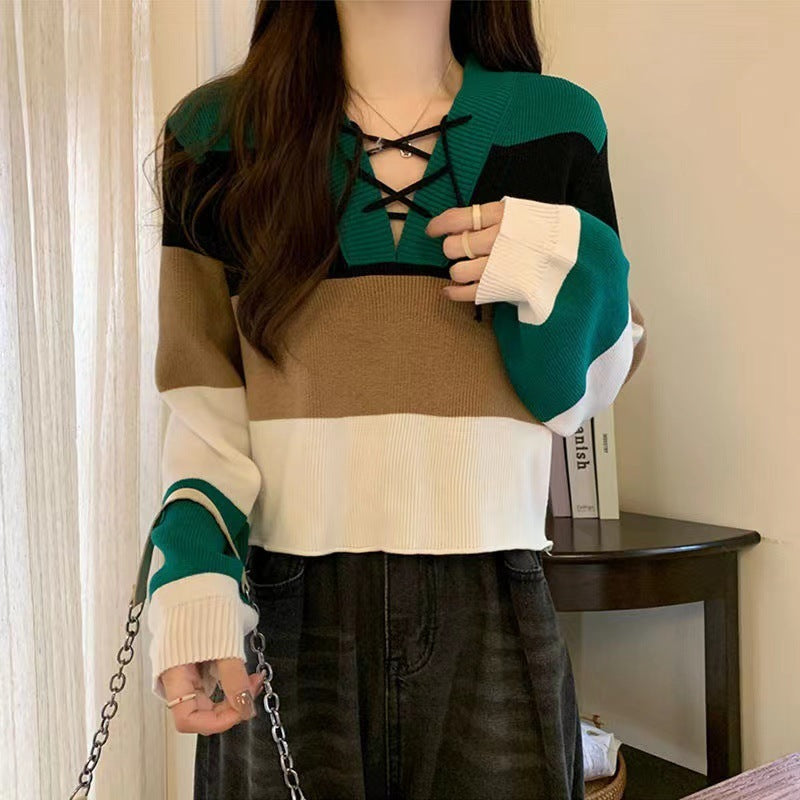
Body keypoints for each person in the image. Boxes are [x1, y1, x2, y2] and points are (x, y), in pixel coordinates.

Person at [146, 1, 647, 798]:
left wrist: (573, 261)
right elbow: (203, 407)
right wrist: (192, 580)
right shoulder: (214, 134)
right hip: (285, 610)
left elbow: (574, 398)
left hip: (492, 603)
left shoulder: (558, 123)